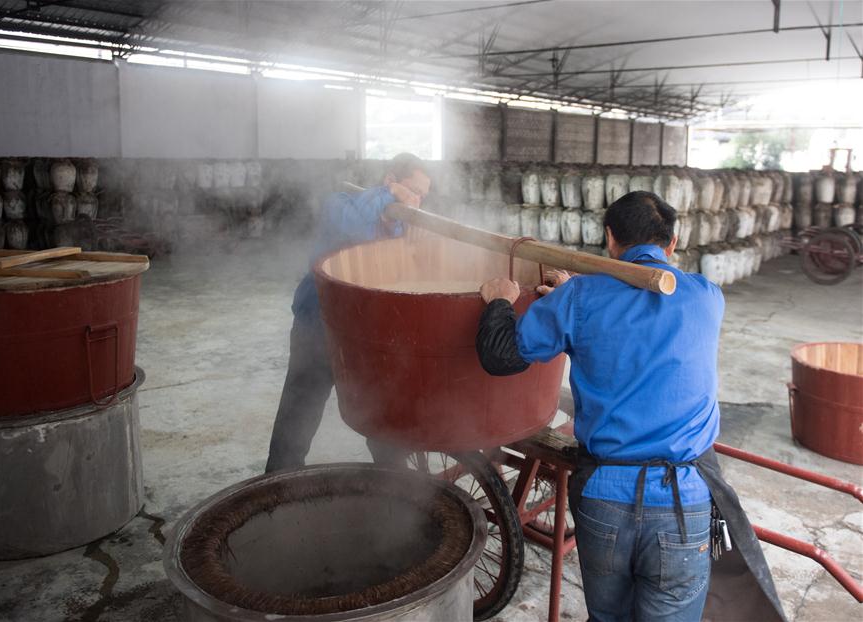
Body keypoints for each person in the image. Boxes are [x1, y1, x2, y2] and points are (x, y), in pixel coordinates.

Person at [476, 191, 785, 622]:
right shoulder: (707, 296)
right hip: (683, 500)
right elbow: (638, 317)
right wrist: (575, 297)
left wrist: (499, 301)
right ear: (672, 244)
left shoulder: (580, 298)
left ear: (609, 238)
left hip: (605, 496)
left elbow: (500, 355)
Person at [265, 153, 431, 473]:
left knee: (383, 414)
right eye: (412, 190)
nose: (417, 200)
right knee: (299, 413)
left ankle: (397, 490)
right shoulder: (339, 204)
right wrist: (389, 197)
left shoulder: (399, 229)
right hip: (317, 327)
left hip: (361, 337)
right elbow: (355, 230)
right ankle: (276, 486)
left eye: (422, 195)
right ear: (389, 180)